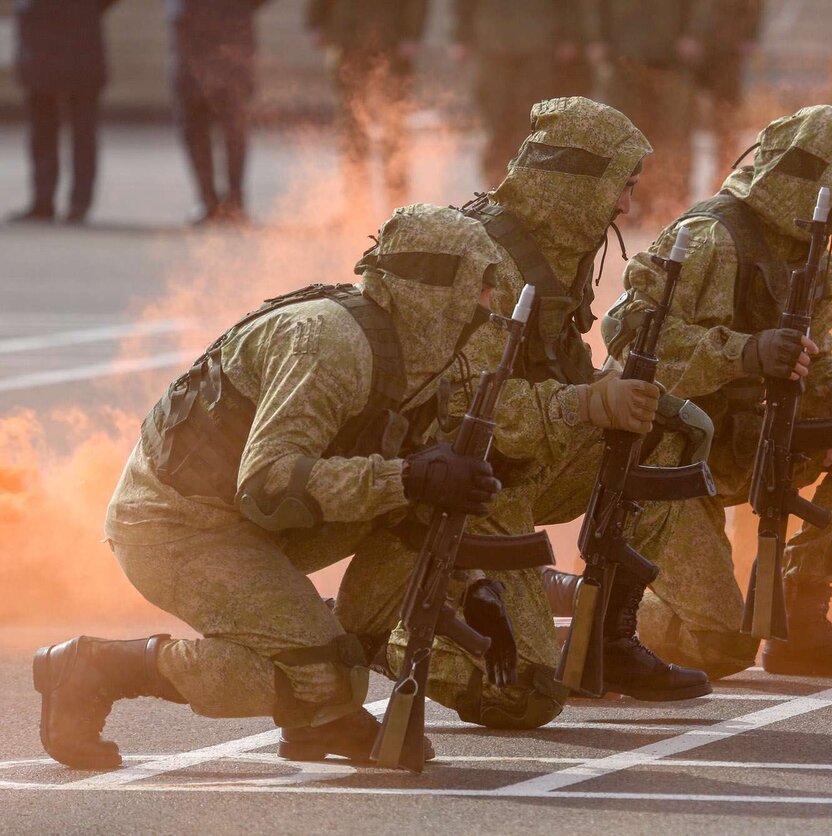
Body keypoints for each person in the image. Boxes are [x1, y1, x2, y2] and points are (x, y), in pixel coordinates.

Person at [33, 203, 508, 769]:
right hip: (178, 525)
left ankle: (322, 706)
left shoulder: (422, 356)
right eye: (482, 286)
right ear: (438, 288)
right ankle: (95, 668)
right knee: (325, 672)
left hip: (256, 524)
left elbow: (414, 497)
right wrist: (407, 477)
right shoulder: (328, 343)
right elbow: (268, 482)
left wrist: (473, 587)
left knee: (414, 509)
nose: (491, 306)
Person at [336, 97, 711, 732]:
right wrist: (590, 402)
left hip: (517, 467)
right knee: (524, 694)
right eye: (619, 186)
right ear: (578, 183)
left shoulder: (557, 251)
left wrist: (613, 391)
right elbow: (465, 410)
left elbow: (549, 377)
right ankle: (374, 627)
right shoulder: (485, 260)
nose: (626, 206)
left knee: (662, 433)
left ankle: (609, 641)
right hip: (455, 487)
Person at [578, 105, 832, 680]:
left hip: (743, 441)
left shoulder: (811, 250)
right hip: (668, 458)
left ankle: (801, 619)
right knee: (722, 646)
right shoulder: (712, 237)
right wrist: (745, 352)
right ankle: (590, 609)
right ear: (806, 177)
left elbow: (815, 352)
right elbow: (628, 338)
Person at [588, 0, 715, 225]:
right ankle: (627, 204)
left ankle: (672, 202)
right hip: (624, 50)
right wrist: (595, 36)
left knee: (673, 131)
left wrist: (694, 33)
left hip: (672, 54)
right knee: (625, 133)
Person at [307, 0, 428, 223]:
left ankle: (399, 207)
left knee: (394, 127)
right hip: (348, 40)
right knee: (352, 128)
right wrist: (316, 22)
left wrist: (412, 34)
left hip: (391, 41)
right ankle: (356, 206)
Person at [450, 0, 591, 187]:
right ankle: (496, 185)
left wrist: (569, 35)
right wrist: (461, 36)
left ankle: (529, 185)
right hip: (493, 42)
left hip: (538, 42)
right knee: (496, 120)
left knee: (533, 120)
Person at [10, 0, 120, 224]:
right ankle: (49, 201)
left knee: (79, 133)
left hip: (73, 43)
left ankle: (73, 203)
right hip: (47, 44)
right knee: (45, 132)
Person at [167, 0, 271, 224]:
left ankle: (234, 200)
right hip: (192, 45)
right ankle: (208, 200)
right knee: (194, 127)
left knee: (234, 129)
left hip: (231, 45)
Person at [696, 0, 762, 191]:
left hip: (728, 51)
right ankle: (668, 183)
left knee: (726, 121)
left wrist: (749, 37)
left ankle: (724, 177)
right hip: (688, 52)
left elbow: (753, 7)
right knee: (679, 124)